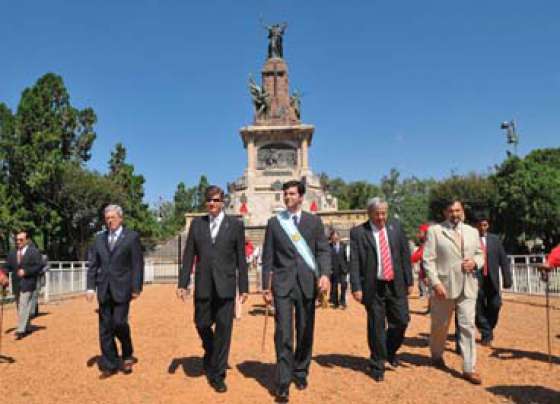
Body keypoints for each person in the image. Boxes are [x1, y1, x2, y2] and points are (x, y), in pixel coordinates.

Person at [262, 180, 331, 400]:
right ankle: (283, 380)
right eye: (285, 194)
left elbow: (322, 251)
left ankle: (300, 370)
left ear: (301, 197)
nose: (287, 197)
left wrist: (325, 274)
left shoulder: (314, 222)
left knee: (304, 330)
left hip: (307, 283)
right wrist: (266, 286)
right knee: (283, 332)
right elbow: (268, 258)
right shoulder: (274, 223)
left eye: (292, 194)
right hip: (282, 284)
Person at [177, 185, 248, 394]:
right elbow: (189, 255)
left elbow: (241, 260)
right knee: (201, 323)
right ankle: (211, 350)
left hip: (226, 285)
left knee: (224, 330)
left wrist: (243, 287)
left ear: (222, 201)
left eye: (216, 200)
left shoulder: (234, 225)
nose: (212, 203)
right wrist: (182, 283)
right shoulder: (197, 225)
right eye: (209, 200)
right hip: (204, 284)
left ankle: (217, 374)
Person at [349, 197, 413, 382]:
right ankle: (377, 364)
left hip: (396, 283)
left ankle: (388, 351)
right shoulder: (359, 232)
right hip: (373, 286)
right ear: (369, 213)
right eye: (377, 214)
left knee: (401, 320)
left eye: (384, 213)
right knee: (376, 326)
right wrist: (356, 286)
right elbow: (354, 261)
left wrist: (409, 281)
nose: (381, 217)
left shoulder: (396, 227)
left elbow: (404, 255)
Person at [423, 199, 484, 384]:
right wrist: (435, 284)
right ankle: (436, 354)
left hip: (468, 285)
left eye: (458, 210)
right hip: (444, 287)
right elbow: (428, 260)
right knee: (440, 326)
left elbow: (480, 254)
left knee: (467, 326)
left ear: (462, 211)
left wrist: (475, 263)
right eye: (451, 211)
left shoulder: (472, 231)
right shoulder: (435, 231)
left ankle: (469, 368)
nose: (455, 214)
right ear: (445, 213)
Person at [86, 204, 144, 379]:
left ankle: (127, 352)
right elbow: (93, 265)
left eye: (113, 217)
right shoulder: (98, 239)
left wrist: (136, 287)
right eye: (107, 218)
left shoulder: (131, 237)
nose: (110, 220)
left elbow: (137, 264)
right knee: (105, 328)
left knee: (119, 323)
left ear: (120, 218)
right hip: (104, 288)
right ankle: (110, 364)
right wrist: (90, 287)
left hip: (123, 288)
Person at [474, 214, 512, 347]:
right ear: (476, 226)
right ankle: (486, 333)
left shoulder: (495, 240)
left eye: (485, 225)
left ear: (488, 225)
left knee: (495, 305)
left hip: (492, 279)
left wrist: (508, 278)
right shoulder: (470, 240)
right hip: (475, 279)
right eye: (480, 225)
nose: (482, 228)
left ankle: (488, 328)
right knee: (477, 308)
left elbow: (503, 260)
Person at [4, 231, 43, 340]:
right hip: (16, 284)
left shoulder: (34, 252)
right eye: (17, 240)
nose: (18, 242)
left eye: (21, 240)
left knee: (23, 305)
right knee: (20, 306)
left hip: (28, 282)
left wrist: (26, 271)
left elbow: (39, 266)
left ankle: (21, 330)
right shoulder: (12, 253)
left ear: (27, 240)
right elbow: (7, 266)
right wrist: (3, 275)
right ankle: (28, 326)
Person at [329, 230, 349, 309]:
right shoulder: (328, 246)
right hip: (333, 270)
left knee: (344, 285)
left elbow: (347, 258)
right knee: (334, 287)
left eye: (336, 237)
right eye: (333, 238)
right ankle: (336, 303)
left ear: (339, 238)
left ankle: (343, 301)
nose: (335, 239)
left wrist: (347, 268)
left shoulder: (344, 246)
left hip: (343, 269)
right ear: (331, 238)